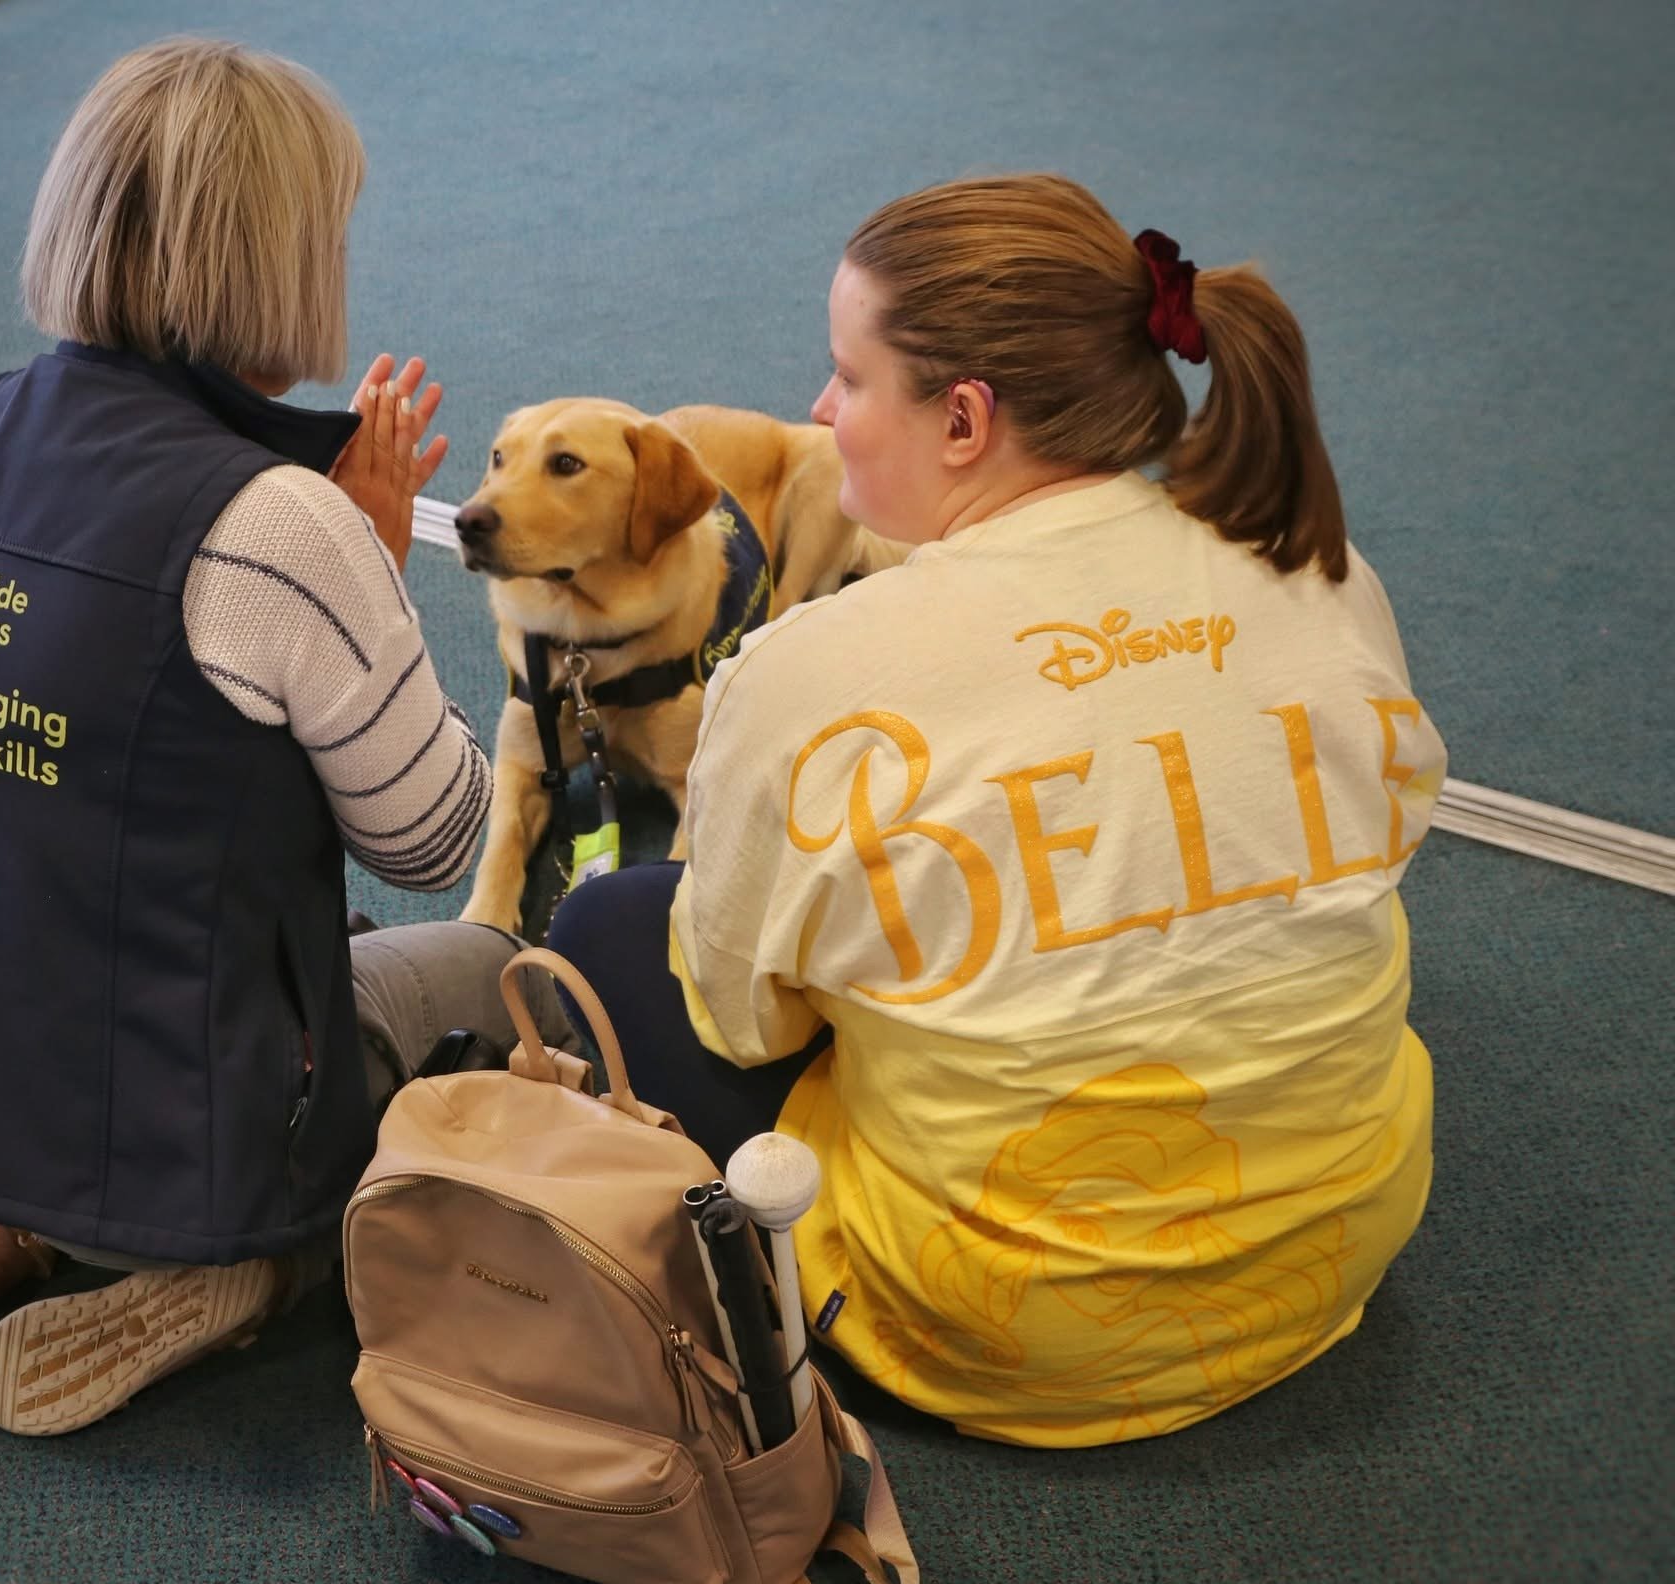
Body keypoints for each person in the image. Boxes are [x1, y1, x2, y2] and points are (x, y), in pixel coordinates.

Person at [549, 174, 1446, 1448]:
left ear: (963, 419)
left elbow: (742, 1022)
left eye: (846, 376)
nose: (818, 410)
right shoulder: (1323, 567)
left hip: (998, 1331)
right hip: (1338, 1243)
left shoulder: (807, 672)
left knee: (608, 925)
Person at [0, 39, 566, 1437]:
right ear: (277, 261)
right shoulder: (279, 527)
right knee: (500, 967)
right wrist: (367, 564)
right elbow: (433, 837)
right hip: (172, 1108)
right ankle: (248, 1258)